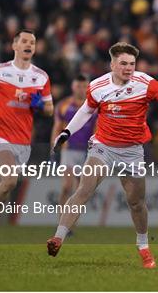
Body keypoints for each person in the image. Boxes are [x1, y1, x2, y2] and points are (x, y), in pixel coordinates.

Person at [47, 42, 158, 268]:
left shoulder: (145, 83)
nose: (128, 68)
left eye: (132, 64)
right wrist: (67, 131)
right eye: (123, 63)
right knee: (83, 189)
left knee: (136, 203)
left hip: (132, 151)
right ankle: (58, 237)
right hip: (102, 147)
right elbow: (86, 110)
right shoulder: (98, 86)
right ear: (112, 64)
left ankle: (143, 245)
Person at [0, 30, 54, 254]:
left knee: (3, 189)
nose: (29, 45)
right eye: (24, 41)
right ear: (14, 45)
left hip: (23, 142)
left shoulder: (41, 76)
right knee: (9, 180)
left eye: (33, 42)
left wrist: (39, 105)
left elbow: (49, 108)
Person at [50, 75, 97, 213]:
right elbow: (57, 128)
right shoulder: (63, 105)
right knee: (67, 186)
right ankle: (61, 220)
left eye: (84, 86)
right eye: (78, 86)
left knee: (79, 190)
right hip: (68, 149)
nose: (81, 89)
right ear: (72, 87)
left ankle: (69, 224)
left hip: (87, 152)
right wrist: (53, 148)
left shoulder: (94, 107)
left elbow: (97, 128)